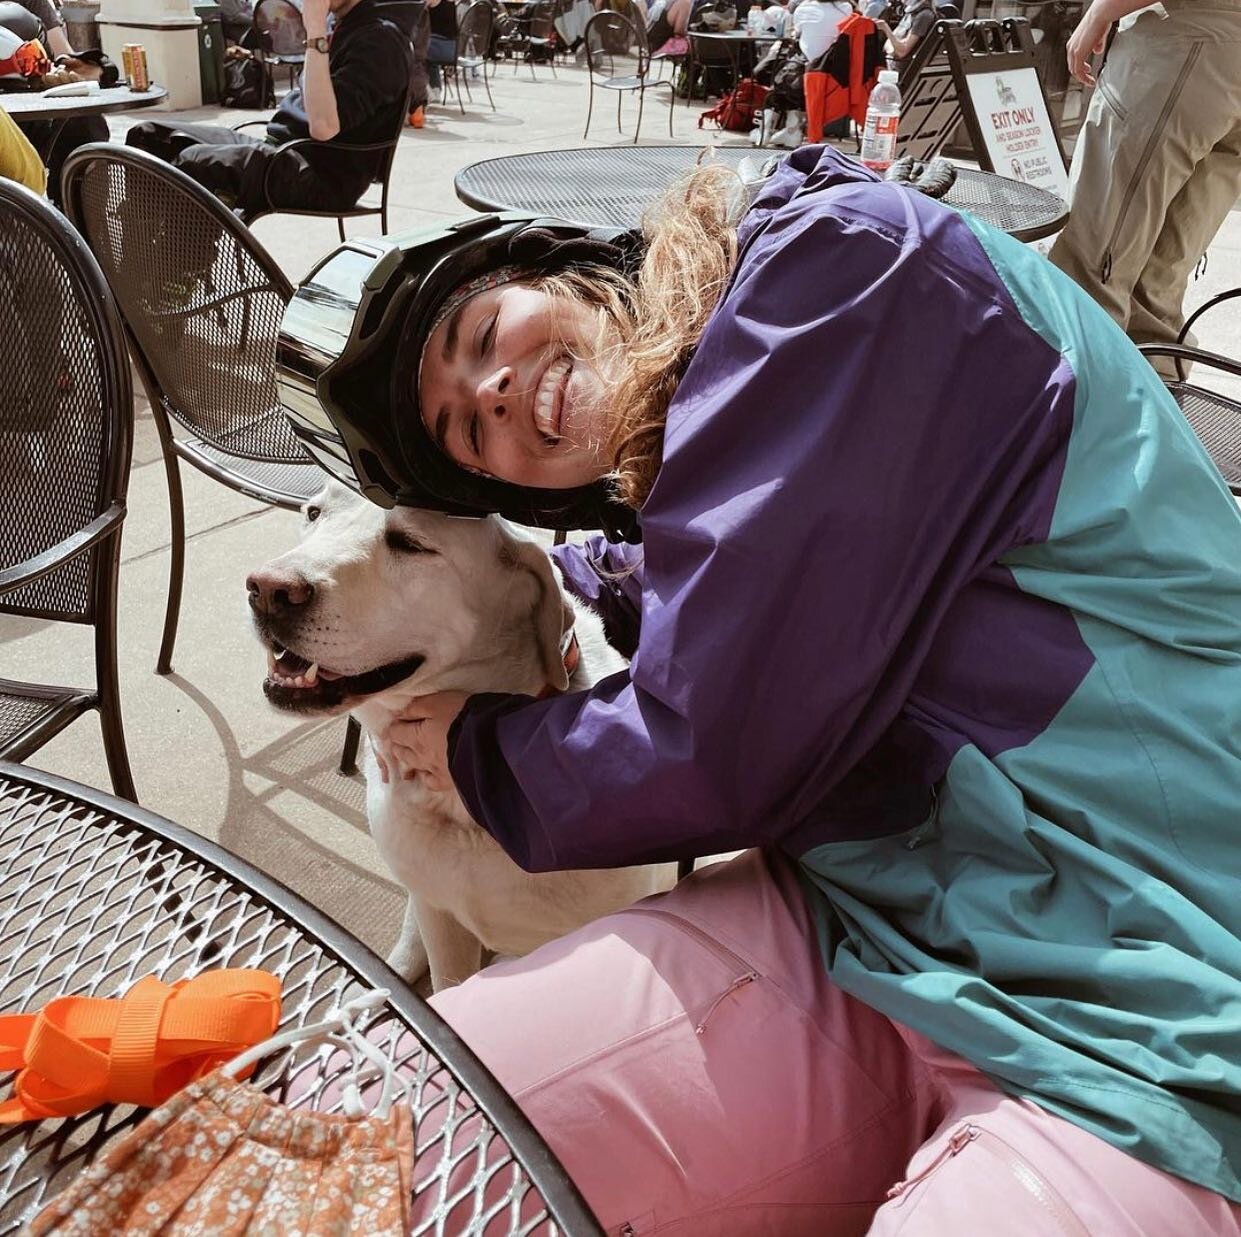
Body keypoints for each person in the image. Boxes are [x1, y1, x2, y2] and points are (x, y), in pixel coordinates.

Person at [288, 145, 1241, 1233]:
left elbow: (719, 740)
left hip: (1156, 974)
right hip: (874, 920)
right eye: (468, 429)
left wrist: (478, 751)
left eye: (476, 338)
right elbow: (736, 598)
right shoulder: (687, 456)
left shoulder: (837, 270)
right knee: (371, 1141)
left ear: (555, 273)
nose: (495, 390)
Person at [1049, 0, 1241, 365]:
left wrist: (1101, 11)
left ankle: (1074, 403)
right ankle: (1156, 397)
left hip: (1186, 39)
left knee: (1097, 262)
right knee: (1161, 274)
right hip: (1220, 50)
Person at [125, 0, 410, 217]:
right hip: (281, 148)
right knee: (147, 137)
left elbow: (324, 128)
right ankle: (135, 257)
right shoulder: (345, 25)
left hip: (321, 174)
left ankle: (173, 279)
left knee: (192, 162)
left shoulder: (380, 40)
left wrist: (314, 32)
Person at [876, 0, 933, 66]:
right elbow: (887, 45)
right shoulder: (910, 11)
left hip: (899, 70)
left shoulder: (924, 16)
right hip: (890, 63)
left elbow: (901, 51)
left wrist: (885, 28)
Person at [423, 0, 456, 100]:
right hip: (453, 48)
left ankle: (424, 89)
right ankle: (435, 88)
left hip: (441, 47)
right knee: (428, 53)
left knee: (413, 52)